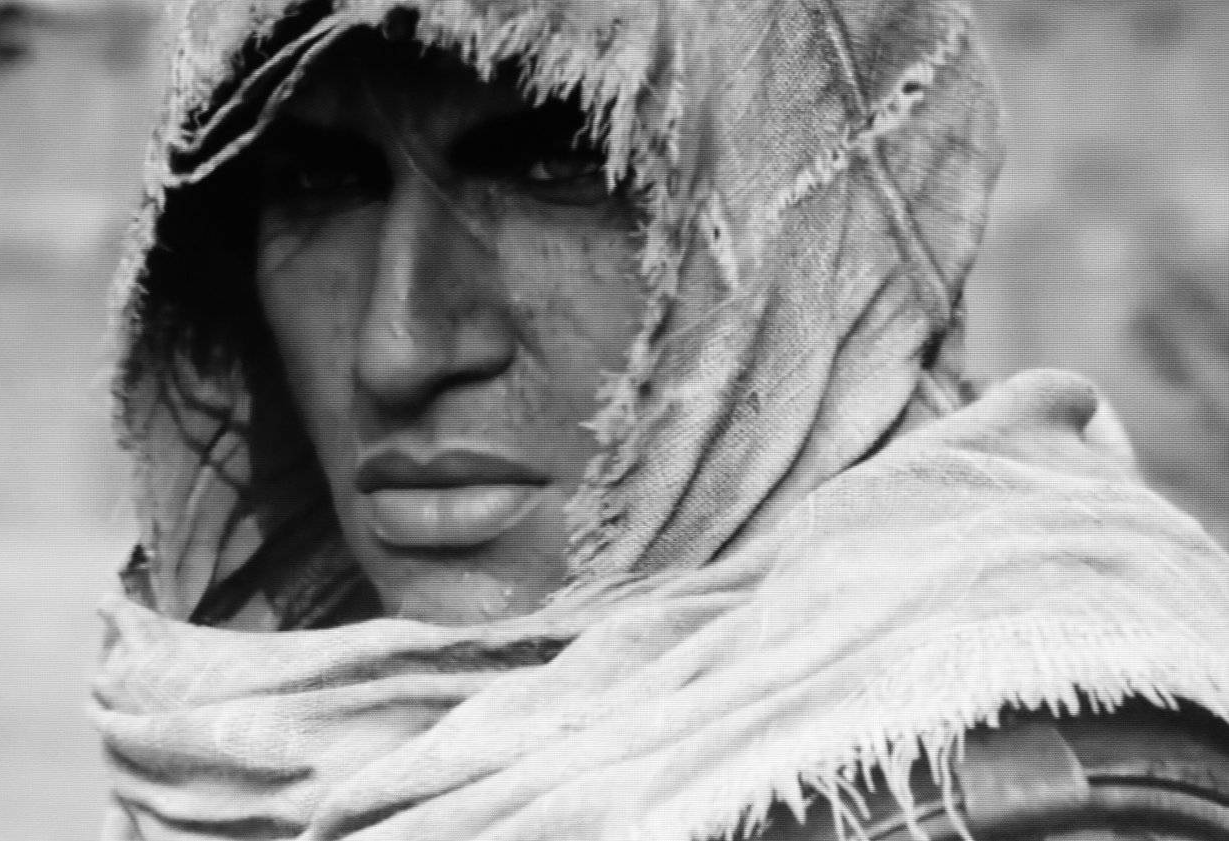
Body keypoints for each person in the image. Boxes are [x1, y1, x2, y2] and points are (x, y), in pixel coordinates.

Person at [93, 1, 1229, 839]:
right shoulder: (238, 751)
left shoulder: (1007, 782)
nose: (398, 350)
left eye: (560, 161)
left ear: (811, 224)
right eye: (317, 183)